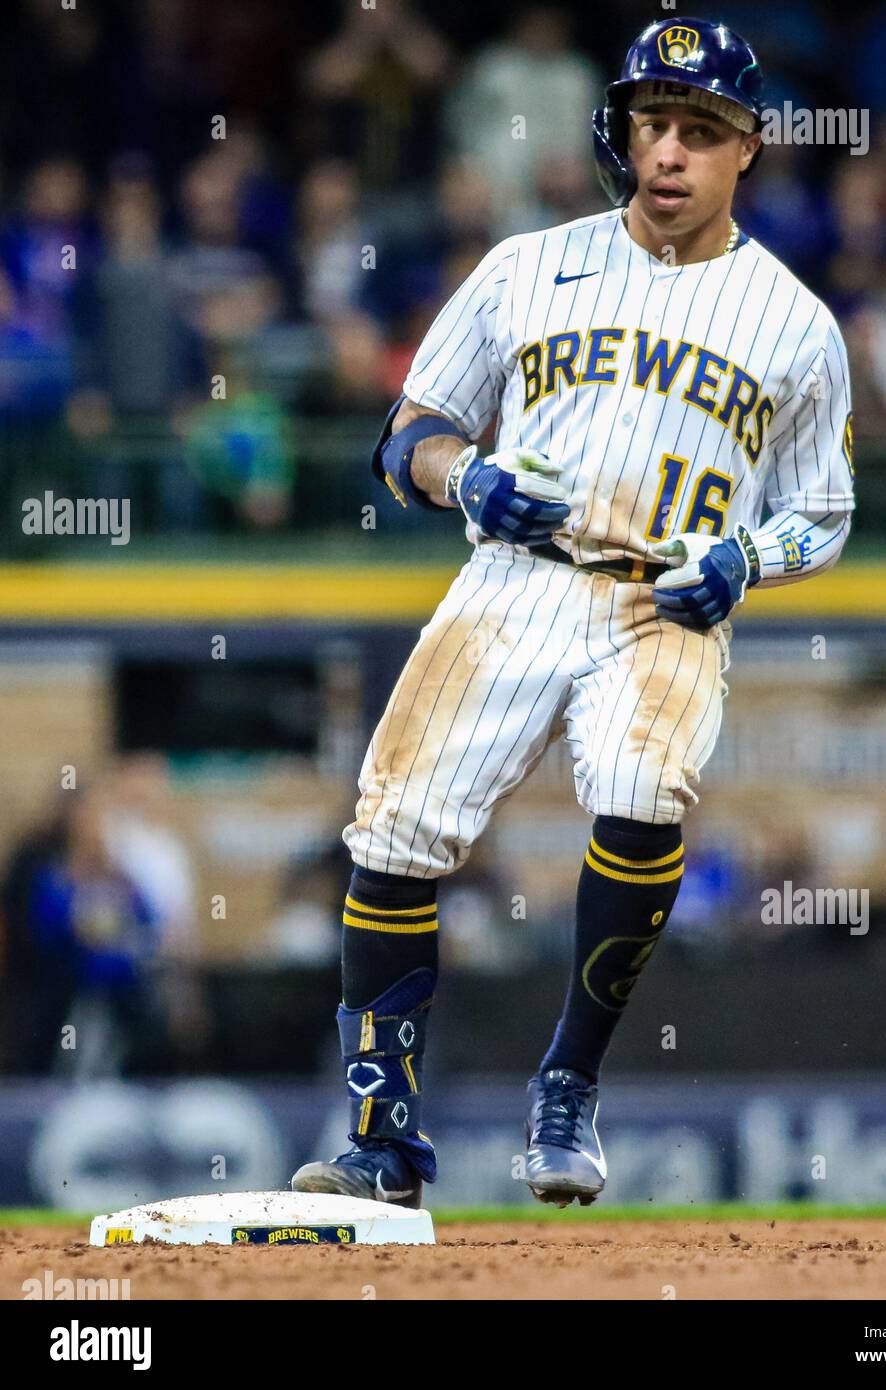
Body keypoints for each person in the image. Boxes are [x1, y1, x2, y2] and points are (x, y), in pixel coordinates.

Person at [292, 17, 854, 1209]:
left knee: (644, 793)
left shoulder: (795, 321)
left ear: (745, 148)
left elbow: (826, 511)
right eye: (653, 121)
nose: (668, 151)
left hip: (665, 599)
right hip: (514, 579)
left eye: (698, 130)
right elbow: (404, 439)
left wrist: (748, 558)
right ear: (623, 129)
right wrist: (466, 478)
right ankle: (382, 1141)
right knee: (392, 830)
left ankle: (567, 1083)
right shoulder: (520, 266)